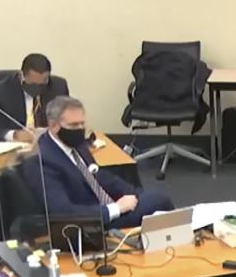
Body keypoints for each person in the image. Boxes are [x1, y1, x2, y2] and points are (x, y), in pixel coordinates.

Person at [23, 96, 173, 228]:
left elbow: (99, 176)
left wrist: (135, 194)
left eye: (82, 124)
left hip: (105, 206)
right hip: (90, 222)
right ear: (54, 126)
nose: (80, 130)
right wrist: (116, 208)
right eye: (74, 125)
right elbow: (62, 212)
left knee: (152, 197)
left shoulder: (75, 144)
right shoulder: (41, 160)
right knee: (159, 202)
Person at [0, 53, 70, 142]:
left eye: (42, 84)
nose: (38, 88)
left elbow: (68, 121)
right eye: (33, 84)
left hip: (49, 145)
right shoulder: (1, 91)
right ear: (22, 75)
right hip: (17, 147)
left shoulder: (58, 88)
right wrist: (15, 135)